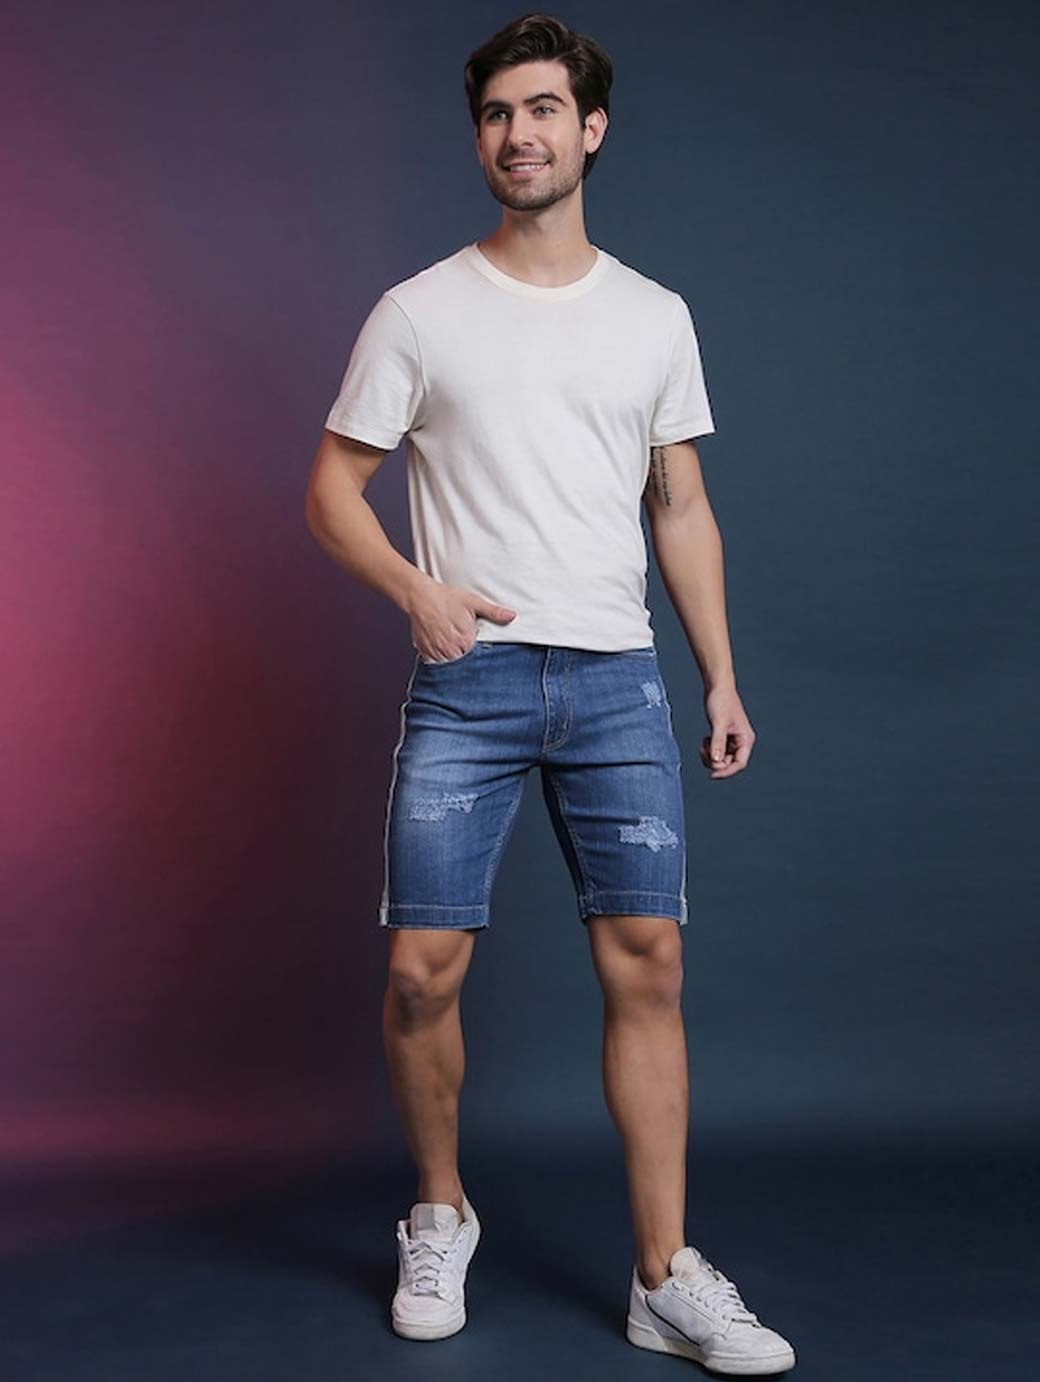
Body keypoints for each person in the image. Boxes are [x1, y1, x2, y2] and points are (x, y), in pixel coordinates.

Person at [305, 12, 795, 1375]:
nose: (516, 134)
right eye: (494, 114)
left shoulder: (654, 316)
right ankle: (440, 1212)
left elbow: (679, 505)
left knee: (650, 961)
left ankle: (663, 1276)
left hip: (617, 681)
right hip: (467, 679)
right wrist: (414, 590)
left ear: (591, 130)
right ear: (480, 139)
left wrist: (720, 675)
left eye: (540, 110)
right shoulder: (419, 311)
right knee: (421, 971)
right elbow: (330, 492)